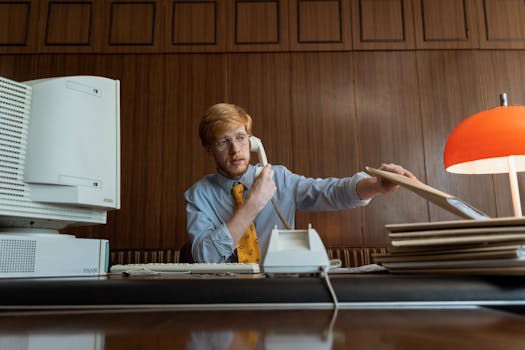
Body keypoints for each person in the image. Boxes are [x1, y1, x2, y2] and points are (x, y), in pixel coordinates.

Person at [184, 103, 417, 263]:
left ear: (253, 141)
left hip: (282, 293)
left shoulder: (279, 178)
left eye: (240, 137)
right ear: (208, 149)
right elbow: (205, 257)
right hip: (226, 297)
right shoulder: (198, 196)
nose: (235, 149)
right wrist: (254, 203)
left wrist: (375, 186)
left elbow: (331, 192)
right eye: (223, 142)